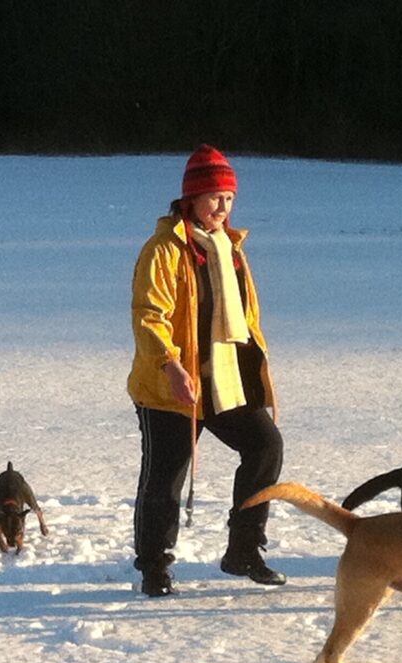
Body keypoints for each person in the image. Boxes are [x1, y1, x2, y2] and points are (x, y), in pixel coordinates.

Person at [127, 145, 285, 597]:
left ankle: (243, 549)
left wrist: (255, 367)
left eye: (229, 198)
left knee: (265, 446)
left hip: (223, 379)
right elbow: (148, 315)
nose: (223, 207)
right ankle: (154, 566)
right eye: (215, 196)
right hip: (167, 385)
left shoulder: (230, 248)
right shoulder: (163, 249)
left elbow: (244, 319)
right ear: (191, 198)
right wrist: (171, 365)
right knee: (165, 475)